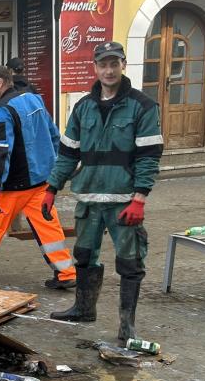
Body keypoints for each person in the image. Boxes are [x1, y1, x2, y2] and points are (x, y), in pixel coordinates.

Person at [43, 41, 162, 342]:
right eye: (103, 65)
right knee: (83, 256)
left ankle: (127, 325)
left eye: (114, 64)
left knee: (130, 262)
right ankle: (83, 309)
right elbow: (68, 152)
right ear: (95, 68)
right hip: (89, 198)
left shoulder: (143, 106)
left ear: (123, 65)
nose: (109, 70)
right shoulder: (83, 107)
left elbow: (149, 155)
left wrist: (140, 197)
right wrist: (52, 187)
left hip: (124, 201)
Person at [0, 66, 76, 289]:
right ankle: (66, 273)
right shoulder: (33, 99)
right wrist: (55, 171)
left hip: (13, 185)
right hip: (41, 180)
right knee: (48, 228)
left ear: (0, 83)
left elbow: (0, 151)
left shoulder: (1, 111)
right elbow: (54, 134)